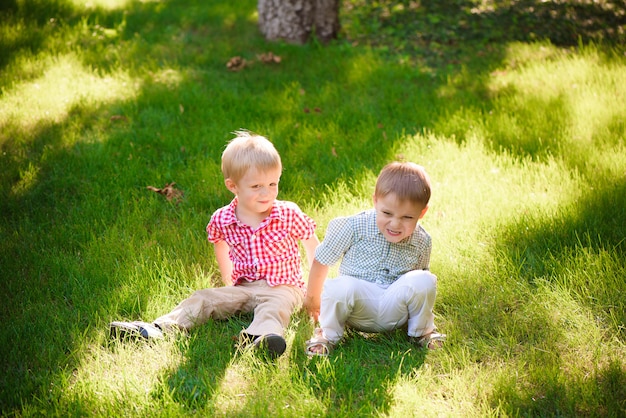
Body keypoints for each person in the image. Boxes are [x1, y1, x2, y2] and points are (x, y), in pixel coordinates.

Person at [110, 131, 319, 358]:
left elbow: (314, 248)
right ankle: (159, 329)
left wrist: (313, 295)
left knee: (273, 309)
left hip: (284, 287)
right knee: (204, 297)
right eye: (256, 186)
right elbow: (221, 247)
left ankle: (259, 339)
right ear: (233, 186)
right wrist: (228, 282)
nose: (266, 192)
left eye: (272, 183)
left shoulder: (287, 213)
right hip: (244, 286)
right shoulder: (223, 218)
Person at [303, 161, 445, 356]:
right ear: (375, 201)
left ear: (422, 213)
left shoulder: (422, 240)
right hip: (357, 307)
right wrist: (312, 299)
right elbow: (323, 259)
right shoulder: (353, 227)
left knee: (424, 279)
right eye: (387, 213)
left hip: (395, 306)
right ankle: (327, 335)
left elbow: (419, 289)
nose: (395, 224)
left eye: (407, 217)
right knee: (339, 286)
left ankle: (422, 332)